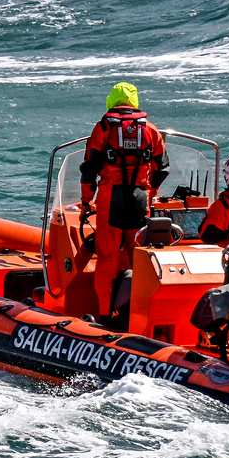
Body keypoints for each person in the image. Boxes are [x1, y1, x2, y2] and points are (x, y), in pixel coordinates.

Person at [79, 82, 170, 316]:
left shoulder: (104, 128)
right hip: (140, 197)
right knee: (139, 256)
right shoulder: (150, 129)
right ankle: (140, 314)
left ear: (112, 101)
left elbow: (89, 169)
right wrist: (152, 193)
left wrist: (86, 201)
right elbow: (163, 167)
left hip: (111, 198)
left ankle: (105, 314)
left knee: (107, 258)